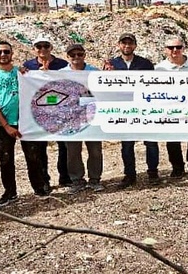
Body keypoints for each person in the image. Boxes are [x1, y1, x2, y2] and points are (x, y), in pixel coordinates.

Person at [0, 41, 51, 205]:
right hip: (2, 125)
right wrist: (6, 125)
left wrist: (44, 74)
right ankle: (10, 193)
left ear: (12, 54)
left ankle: (39, 188)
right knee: (6, 160)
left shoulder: (23, 72)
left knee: (34, 157)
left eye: (6, 51)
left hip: (27, 121)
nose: (3, 55)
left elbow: (41, 88)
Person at [104, 33, 160, 187]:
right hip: (124, 110)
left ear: (135, 45)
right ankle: (129, 175)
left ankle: (153, 173)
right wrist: (107, 75)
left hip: (144, 109)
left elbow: (153, 85)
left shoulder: (145, 63)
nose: (127, 46)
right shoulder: (111, 64)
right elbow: (105, 87)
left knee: (151, 142)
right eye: (124, 43)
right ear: (119, 45)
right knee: (127, 144)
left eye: (130, 43)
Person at [22, 34, 72, 187]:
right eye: (39, 46)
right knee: (40, 147)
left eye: (46, 46)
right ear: (34, 49)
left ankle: (65, 177)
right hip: (39, 113)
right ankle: (44, 180)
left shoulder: (62, 64)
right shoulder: (28, 66)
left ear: (51, 47)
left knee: (64, 146)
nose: (43, 49)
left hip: (60, 111)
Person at [155, 36, 188, 177]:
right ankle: (177, 167)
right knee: (172, 140)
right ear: (165, 50)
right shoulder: (159, 68)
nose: (175, 50)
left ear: (183, 48)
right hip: (170, 109)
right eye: (171, 48)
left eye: (178, 47)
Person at [60, 43, 104, 193]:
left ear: (84, 55)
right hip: (71, 120)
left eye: (79, 54)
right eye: (73, 55)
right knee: (72, 151)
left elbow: (103, 92)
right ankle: (77, 180)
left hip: (92, 117)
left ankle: (95, 179)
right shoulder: (60, 74)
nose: (76, 57)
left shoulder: (94, 72)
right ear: (68, 57)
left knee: (95, 150)